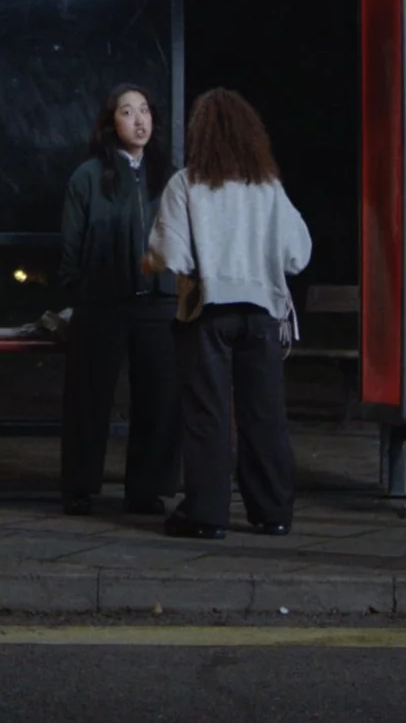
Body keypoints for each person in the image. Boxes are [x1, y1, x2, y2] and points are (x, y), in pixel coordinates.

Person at [144, 89, 312, 539]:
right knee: (265, 414)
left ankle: (206, 514)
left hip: (208, 313)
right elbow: (298, 254)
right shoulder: (268, 187)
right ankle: (273, 512)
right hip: (262, 315)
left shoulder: (185, 184)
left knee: (208, 416)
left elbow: (171, 254)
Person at [57, 84, 180, 517]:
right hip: (102, 302)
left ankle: (147, 489)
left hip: (158, 304)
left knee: (158, 400)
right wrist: (80, 292)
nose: (139, 120)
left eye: (144, 110)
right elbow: (71, 245)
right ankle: (79, 487)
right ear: (111, 123)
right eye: (127, 112)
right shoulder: (88, 176)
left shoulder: (169, 176)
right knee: (88, 399)